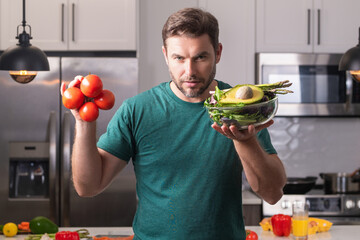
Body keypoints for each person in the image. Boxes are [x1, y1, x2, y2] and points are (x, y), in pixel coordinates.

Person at [61, 7, 286, 240]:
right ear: (165, 55)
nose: (189, 72)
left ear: (217, 53)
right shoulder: (137, 110)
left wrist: (246, 141)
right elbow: (87, 187)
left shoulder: (243, 108)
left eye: (200, 57)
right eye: (179, 58)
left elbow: (272, 194)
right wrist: (84, 121)